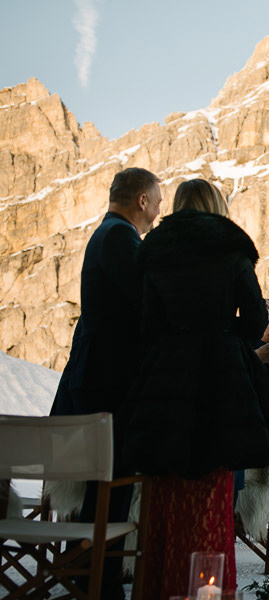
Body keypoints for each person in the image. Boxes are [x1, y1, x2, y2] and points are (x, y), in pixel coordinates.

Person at [121, 178, 269, 600]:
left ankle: (161, 587)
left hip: (164, 378)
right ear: (216, 206)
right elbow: (258, 316)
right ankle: (209, 587)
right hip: (219, 377)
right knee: (213, 490)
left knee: (165, 492)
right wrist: (225, 335)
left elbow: (147, 324)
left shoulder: (154, 249)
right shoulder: (231, 247)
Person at [49, 167, 162, 600]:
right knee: (110, 482)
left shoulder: (108, 233)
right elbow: (142, 302)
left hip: (98, 372)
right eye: (157, 198)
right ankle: (100, 579)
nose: (159, 206)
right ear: (142, 201)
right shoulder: (119, 237)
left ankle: (91, 574)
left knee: (105, 483)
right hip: (108, 378)